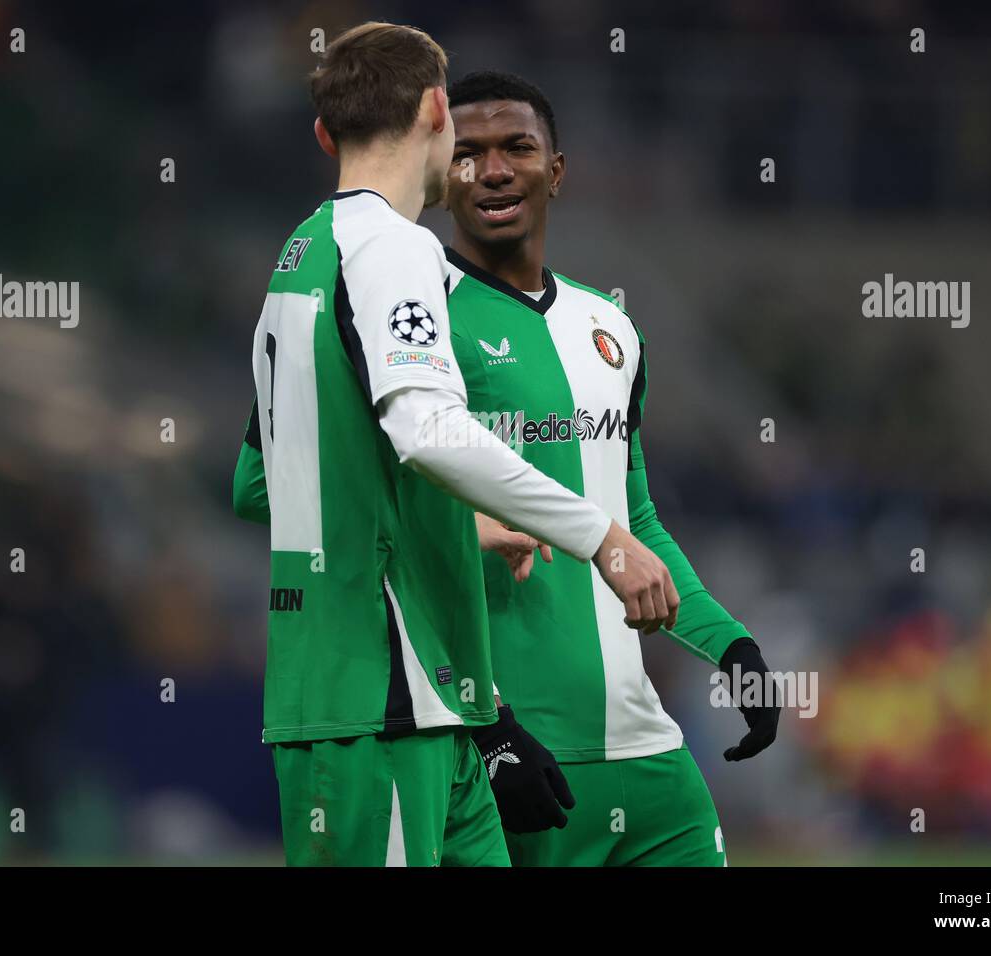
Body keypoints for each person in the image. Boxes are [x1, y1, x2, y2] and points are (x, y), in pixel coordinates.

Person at [232, 26, 679, 866]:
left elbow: (262, 482)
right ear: (438, 109)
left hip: (433, 704)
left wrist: (455, 527)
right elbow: (428, 429)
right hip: (379, 697)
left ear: (326, 135)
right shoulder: (394, 249)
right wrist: (601, 536)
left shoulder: (297, 262)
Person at [440, 70, 780, 866]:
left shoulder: (611, 326)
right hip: (513, 754)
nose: (493, 171)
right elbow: (398, 535)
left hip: (648, 756)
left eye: (517, 148)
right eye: (468, 154)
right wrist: (484, 725)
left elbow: (636, 524)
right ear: (440, 175)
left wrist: (732, 648)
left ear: (555, 171)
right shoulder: (419, 328)